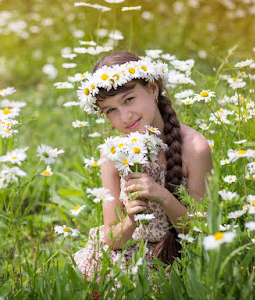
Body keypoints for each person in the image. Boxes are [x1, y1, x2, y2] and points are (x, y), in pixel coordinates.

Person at [73, 51, 213, 278]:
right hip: (130, 253)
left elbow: (199, 230)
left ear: (153, 88)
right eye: (111, 110)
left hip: (180, 254)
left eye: (129, 99)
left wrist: (162, 196)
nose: (125, 116)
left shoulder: (194, 148)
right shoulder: (113, 155)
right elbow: (111, 239)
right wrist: (129, 220)